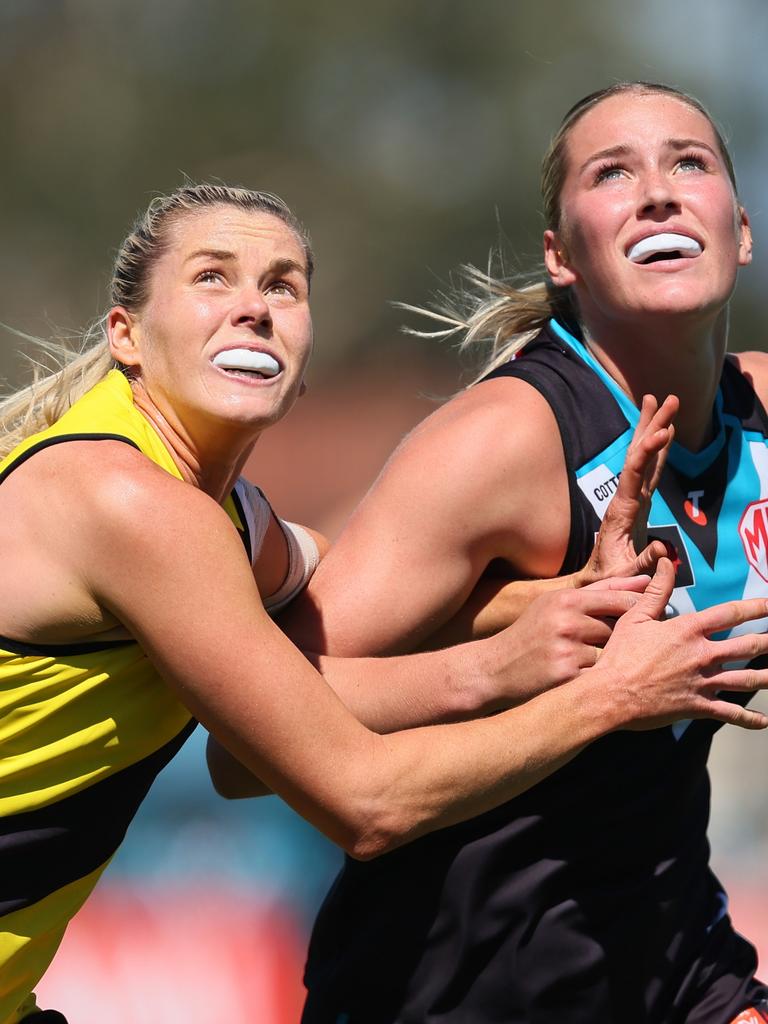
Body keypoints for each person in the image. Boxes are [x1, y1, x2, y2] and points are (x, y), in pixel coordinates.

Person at [4, 182, 761, 1024]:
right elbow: (368, 803)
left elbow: (352, 623)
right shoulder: (134, 506)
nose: (254, 308)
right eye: (212, 277)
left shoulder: (223, 522)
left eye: (283, 285)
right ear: (127, 336)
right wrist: (606, 695)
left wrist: (557, 602)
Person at [268, 84, 768, 1023]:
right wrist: (513, 658)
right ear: (561, 255)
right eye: (612, 174)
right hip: (451, 989)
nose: (658, 192)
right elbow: (248, 737)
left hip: (678, 971)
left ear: (739, 229)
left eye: (688, 162)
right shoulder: (503, 444)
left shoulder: (764, 419)